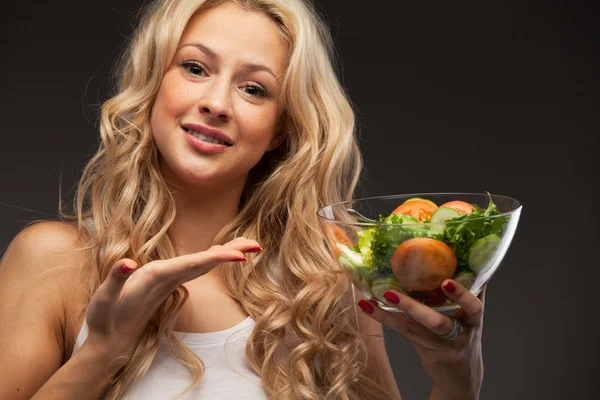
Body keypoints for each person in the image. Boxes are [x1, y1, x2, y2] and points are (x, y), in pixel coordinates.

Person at [0, 0, 486, 399]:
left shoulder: (323, 283)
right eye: (194, 67)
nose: (216, 103)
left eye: (254, 89)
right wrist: (104, 351)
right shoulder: (54, 261)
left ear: (282, 130)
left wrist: (456, 377)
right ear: (153, 84)